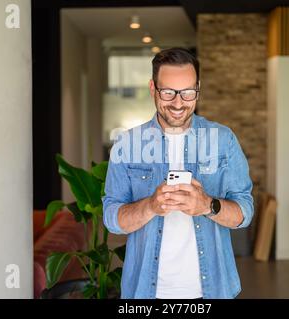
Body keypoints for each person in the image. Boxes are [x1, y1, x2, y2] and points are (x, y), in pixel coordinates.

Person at [103, 47, 254, 299]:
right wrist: (150, 206)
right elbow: (111, 218)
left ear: (197, 90)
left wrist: (208, 205)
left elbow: (245, 212)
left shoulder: (223, 140)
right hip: (145, 294)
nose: (178, 103)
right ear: (153, 89)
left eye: (187, 93)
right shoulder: (126, 145)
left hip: (213, 292)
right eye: (168, 92)